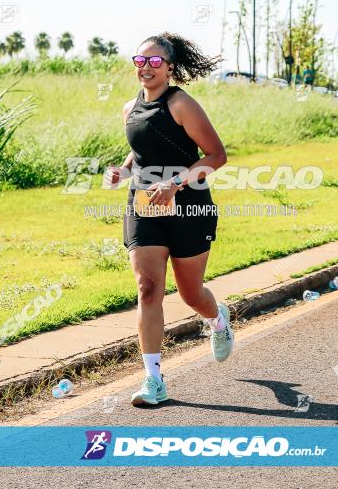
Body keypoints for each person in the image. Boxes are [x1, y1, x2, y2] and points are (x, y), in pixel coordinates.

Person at [105, 32, 232, 407]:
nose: (146, 68)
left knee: (191, 293)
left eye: (155, 62)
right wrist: (122, 171)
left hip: (188, 207)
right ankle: (154, 380)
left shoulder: (181, 104)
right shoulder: (130, 108)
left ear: (170, 67)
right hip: (144, 207)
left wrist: (175, 183)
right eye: (140, 61)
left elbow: (216, 156)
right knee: (148, 289)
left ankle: (218, 320)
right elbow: (140, 151)